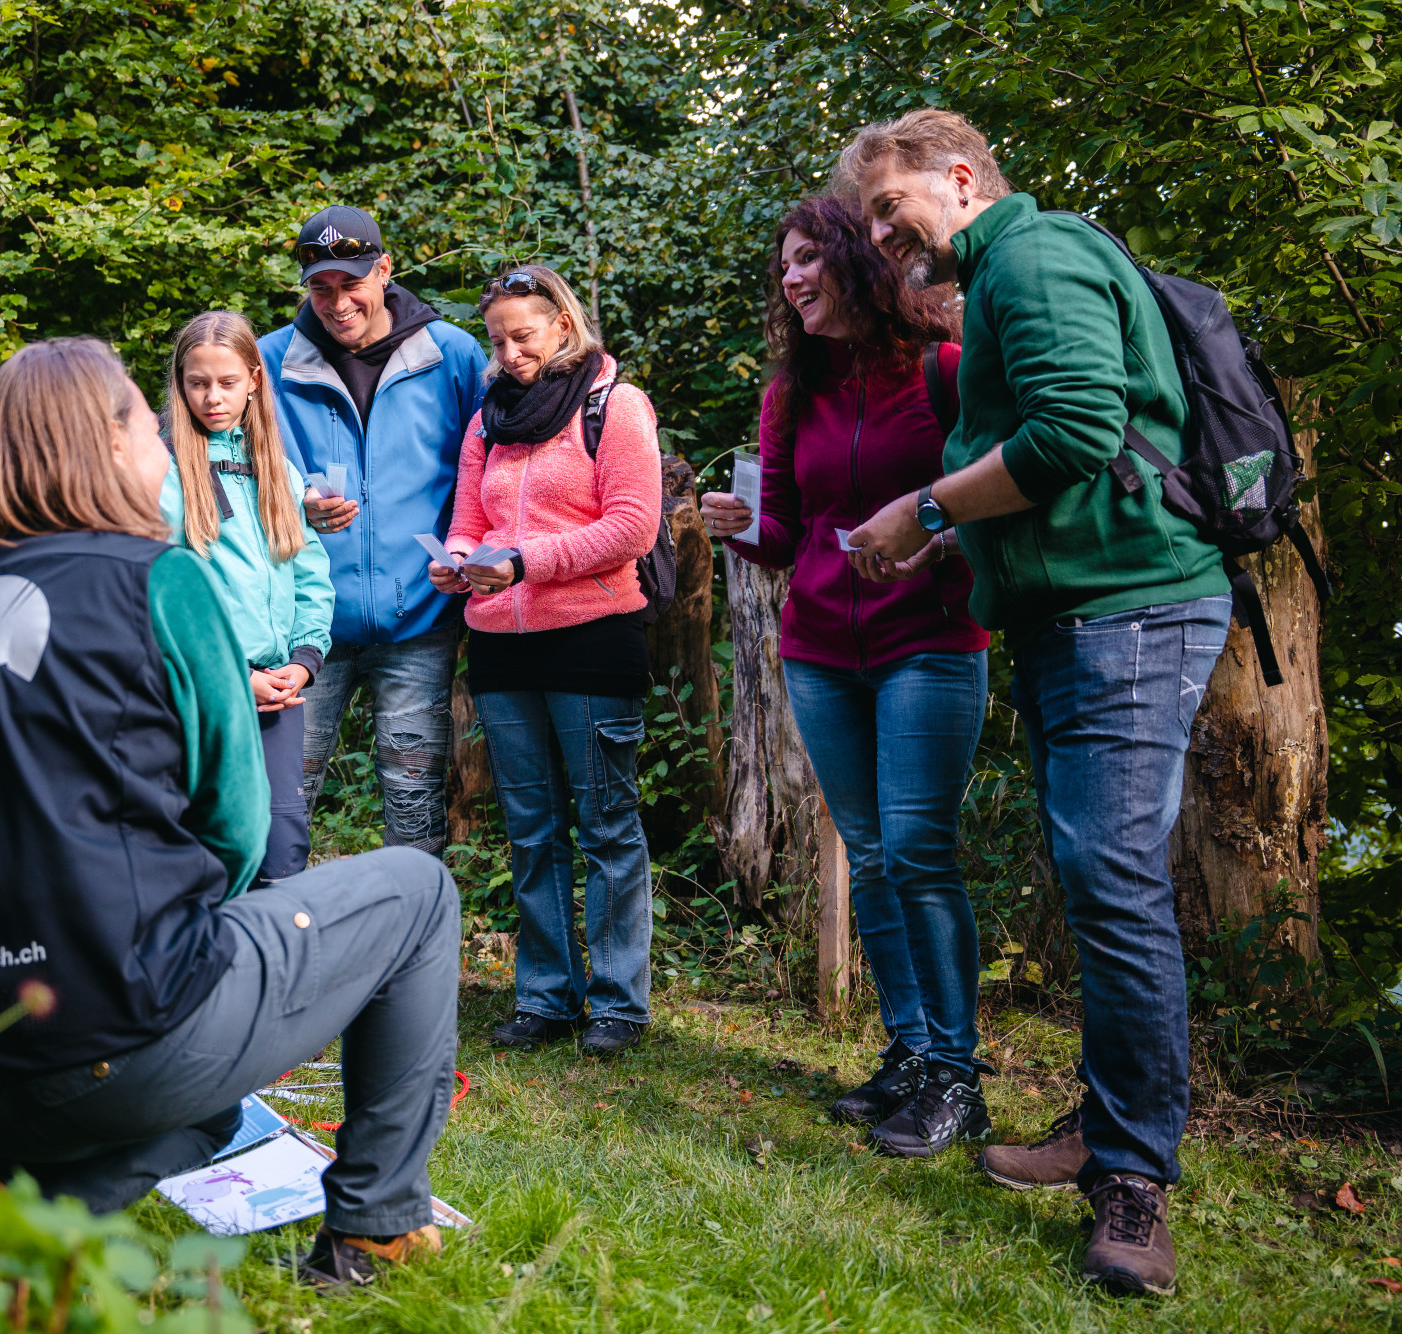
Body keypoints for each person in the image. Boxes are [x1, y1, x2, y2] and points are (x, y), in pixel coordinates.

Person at [0, 337, 460, 1291]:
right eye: (139, 415)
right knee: (420, 891)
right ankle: (375, 1224)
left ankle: (16, 1204)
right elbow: (238, 824)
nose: (162, 429)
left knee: (210, 1097)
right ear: (106, 445)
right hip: (119, 1034)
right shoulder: (160, 579)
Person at [836, 108, 1231, 1298]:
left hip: (1132, 612)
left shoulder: (1036, 253)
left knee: (1112, 880)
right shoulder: (1007, 266)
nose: (880, 235)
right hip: (1080, 617)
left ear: (959, 178)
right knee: (1092, 878)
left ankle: (1132, 1183)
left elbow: (1072, 431)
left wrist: (924, 509)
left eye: (887, 205)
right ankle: (1105, 1125)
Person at [700, 197, 992, 1150]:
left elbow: (991, 505)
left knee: (918, 852)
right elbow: (783, 535)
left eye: (809, 260)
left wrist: (934, 543)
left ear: (863, 269)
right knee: (870, 854)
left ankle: (956, 1071)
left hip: (932, 643)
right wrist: (738, 531)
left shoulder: (946, 369)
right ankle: (909, 1052)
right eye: (783, 264)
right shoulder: (791, 394)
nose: (791, 278)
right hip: (820, 650)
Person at [435, 265, 662, 1057]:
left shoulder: (616, 405)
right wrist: (457, 559)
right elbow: (468, 519)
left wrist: (525, 560)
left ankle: (618, 1005)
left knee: (605, 826)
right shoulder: (487, 419)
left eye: (522, 336)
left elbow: (632, 527)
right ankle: (545, 996)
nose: (508, 353)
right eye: (496, 340)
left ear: (563, 325)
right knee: (531, 831)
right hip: (501, 642)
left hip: (593, 638)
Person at [258, 205, 488, 857]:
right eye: (320, 287)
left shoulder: (452, 354)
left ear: (384, 271)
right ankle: (281, 941)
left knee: (413, 806)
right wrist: (298, 498)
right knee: (282, 796)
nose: (336, 303)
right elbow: (241, 462)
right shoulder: (270, 361)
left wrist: (468, 555)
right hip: (305, 624)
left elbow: (486, 464)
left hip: (417, 617)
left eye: (351, 283)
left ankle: (409, 948)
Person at [161, 311, 333, 881]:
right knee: (208, 845)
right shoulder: (163, 474)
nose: (212, 397)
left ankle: (282, 967)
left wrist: (304, 661)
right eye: (198, 382)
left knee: (282, 841)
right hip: (203, 692)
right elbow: (158, 593)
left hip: (278, 692)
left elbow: (310, 573)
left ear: (255, 380)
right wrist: (233, 674)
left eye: (227, 382)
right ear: (180, 383)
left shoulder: (277, 470)